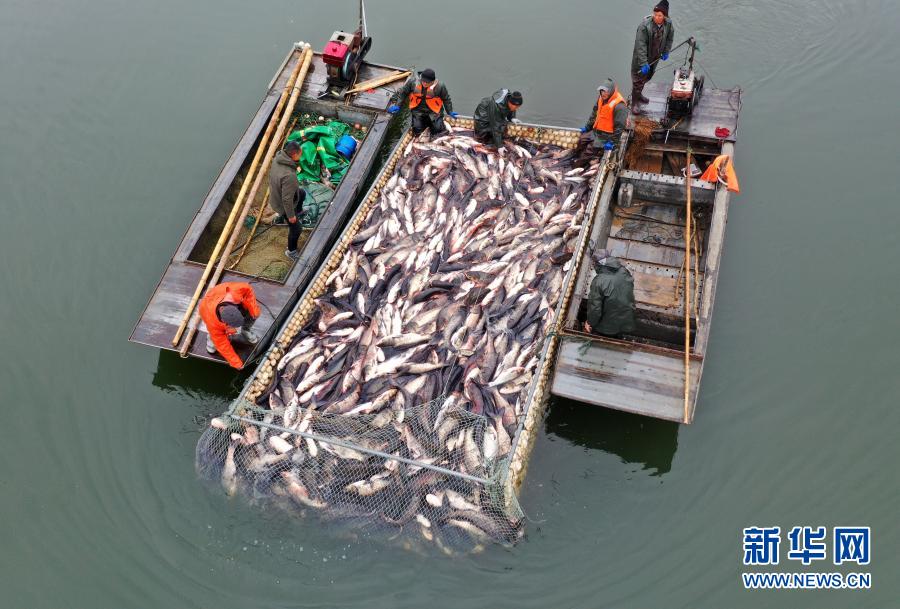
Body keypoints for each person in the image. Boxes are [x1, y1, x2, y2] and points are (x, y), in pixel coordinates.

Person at [199, 281, 261, 369]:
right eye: (232, 327)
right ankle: (211, 340)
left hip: (223, 297)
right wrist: (237, 363)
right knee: (215, 342)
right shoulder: (213, 323)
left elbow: (248, 289)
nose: (236, 330)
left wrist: (253, 309)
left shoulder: (235, 291)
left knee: (255, 313)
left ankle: (245, 330)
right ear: (225, 323)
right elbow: (223, 345)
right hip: (207, 309)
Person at [630, 0, 674, 113]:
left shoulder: (668, 24)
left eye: (659, 15)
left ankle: (639, 95)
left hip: (655, 57)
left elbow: (669, 38)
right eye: (655, 14)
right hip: (641, 59)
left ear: (665, 16)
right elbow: (640, 46)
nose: (656, 17)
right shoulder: (644, 26)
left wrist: (666, 51)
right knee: (638, 81)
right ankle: (634, 103)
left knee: (647, 77)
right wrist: (643, 63)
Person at [387, 68, 457, 137]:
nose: (425, 83)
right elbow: (403, 93)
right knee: (417, 130)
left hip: (434, 111)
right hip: (417, 110)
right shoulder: (413, 82)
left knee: (438, 130)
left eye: (428, 82)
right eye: (423, 81)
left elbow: (446, 99)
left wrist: (449, 111)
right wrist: (397, 105)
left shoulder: (440, 86)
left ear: (433, 81)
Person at [268, 140, 307, 261]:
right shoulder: (289, 175)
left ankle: (298, 211)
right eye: (300, 153)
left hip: (275, 194)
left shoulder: (278, 157)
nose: (301, 154)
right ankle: (291, 251)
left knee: (302, 193)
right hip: (282, 204)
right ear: (294, 155)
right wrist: (291, 216)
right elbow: (286, 199)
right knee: (296, 229)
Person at [584, 250, 636, 338]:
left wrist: (589, 322)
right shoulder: (623, 270)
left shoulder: (598, 281)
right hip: (627, 319)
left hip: (608, 327)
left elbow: (595, 309)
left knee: (599, 334)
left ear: (596, 264)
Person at [580, 79, 628, 153]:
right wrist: (587, 127)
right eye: (602, 91)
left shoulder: (620, 106)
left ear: (611, 92)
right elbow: (594, 114)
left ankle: (580, 162)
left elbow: (620, 127)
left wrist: (612, 142)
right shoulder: (601, 98)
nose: (603, 93)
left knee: (588, 151)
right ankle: (574, 156)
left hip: (607, 136)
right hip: (597, 131)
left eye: (606, 91)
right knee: (581, 140)